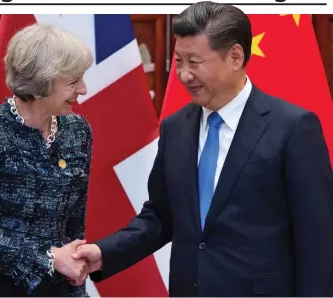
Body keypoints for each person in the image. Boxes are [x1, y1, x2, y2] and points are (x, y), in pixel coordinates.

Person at [71, 1, 333, 296]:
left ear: (235, 56)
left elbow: (318, 241)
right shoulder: (175, 128)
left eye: (194, 63)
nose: (183, 75)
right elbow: (160, 217)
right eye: (179, 62)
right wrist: (104, 253)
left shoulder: (293, 128)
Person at [0, 23, 93, 297]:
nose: (83, 89)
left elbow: (73, 228)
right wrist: (48, 259)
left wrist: (75, 282)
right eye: (73, 81)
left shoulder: (77, 131)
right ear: (41, 82)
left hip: (54, 287)